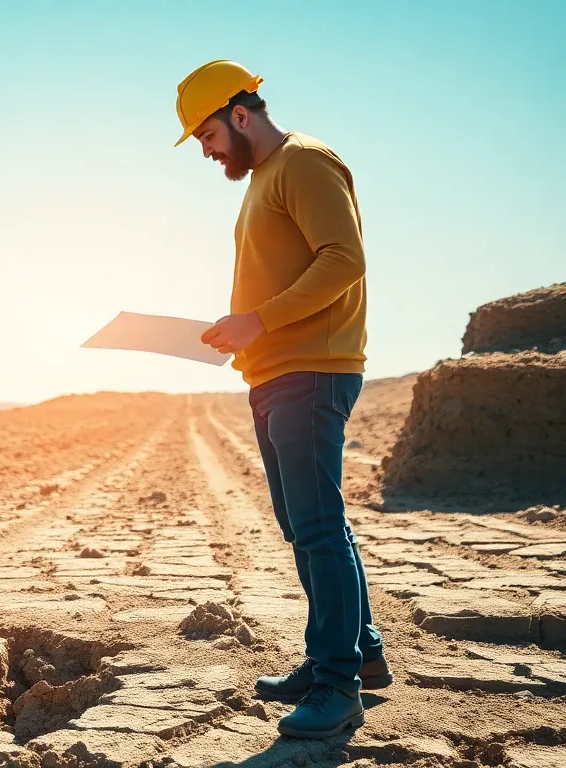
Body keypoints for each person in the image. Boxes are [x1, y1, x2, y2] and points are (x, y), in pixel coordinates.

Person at [176, 60, 392, 739]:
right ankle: (362, 655)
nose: (207, 152)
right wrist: (239, 329)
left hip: (311, 370)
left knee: (320, 526)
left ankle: (337, 683)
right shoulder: (264, 178)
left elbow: (344, 258)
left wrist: (258, 321)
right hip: (273, 374)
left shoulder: (304, 161)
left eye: (207, 135)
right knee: (308, 523)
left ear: (241, 116)